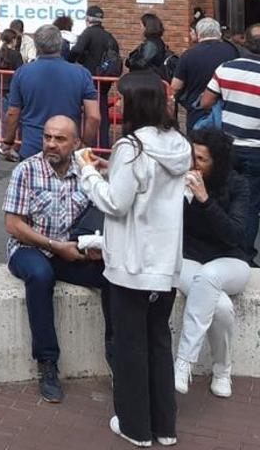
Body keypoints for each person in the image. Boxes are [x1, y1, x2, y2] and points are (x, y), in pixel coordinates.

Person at [79, 71, 189, 447]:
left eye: (120, 98)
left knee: (129, 346)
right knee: (159, 343)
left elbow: (115, 202)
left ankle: (135, 427)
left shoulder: (131, 147)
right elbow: (149, 188)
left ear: (136, 101)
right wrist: (111, 172)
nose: (115, 103)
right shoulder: (178, 144)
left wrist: (88, 174)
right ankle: (164, 426)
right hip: (165, 264)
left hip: (130, 264)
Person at [4, 115, 114, 403]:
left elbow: (117, 198)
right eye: (47, 137)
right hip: (30, 248)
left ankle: (118, 357)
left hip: (71, 250)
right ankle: (47, 363)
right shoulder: (27, 170)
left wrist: (91, 246)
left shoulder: (87, 173)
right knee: (40, 276)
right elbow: (13, 225)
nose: (51, 144)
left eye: (60, 139)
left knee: (112, 275)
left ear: (76, 143)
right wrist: (53, 245)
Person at [171, 127, 249, 399]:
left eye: (201, 159)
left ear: (218, 161)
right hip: (189, 261)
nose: (194, 164)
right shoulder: (182, 179)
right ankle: (222, 370)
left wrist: (205, 201)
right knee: (222, 307)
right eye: (192, 156)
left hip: (231, 263)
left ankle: (184, 362)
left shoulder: (237, 185)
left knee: (210, 275)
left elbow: (236, 234)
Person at [201, 23, 260, 262]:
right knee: (251, 203)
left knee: (222, 196)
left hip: (229, 147)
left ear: (244, 42)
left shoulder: (226, 68)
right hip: (257, 150)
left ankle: (220, 249)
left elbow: (205, 102)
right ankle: (243, 255)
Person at [2, 24, 99, 160]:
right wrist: (84, 144)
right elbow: (94, 117)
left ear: (36, 46)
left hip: (32, 146)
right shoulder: (82, 73)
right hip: (67, 147)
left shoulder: (21, 73)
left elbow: (13, 113)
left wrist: (8, 141)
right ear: (60, 45)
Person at [173, 17, 238, 133]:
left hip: (197, 110)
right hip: (227, 110)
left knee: (198, 146)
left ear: (199, 34)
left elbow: (176, 86)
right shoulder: (232, 52)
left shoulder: (188, 55)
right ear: (219, 33)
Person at [68, 5, 119, 149]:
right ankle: (102, 146)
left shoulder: (88, 33)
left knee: (88, 114)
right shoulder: (109, 37)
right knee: (102, 113)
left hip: (89, 80)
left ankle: (87, 146)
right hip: (104, 81)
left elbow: (76, 50)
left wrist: (68, 62)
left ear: (88, 19)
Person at [126, 12, 171, 77]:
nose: (139, 28)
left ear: (146, 27)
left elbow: (142, 62)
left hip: (147, 79)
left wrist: (130, 60)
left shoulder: (151, 44)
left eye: (141, 25)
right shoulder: (156, 41)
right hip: (151, 78)